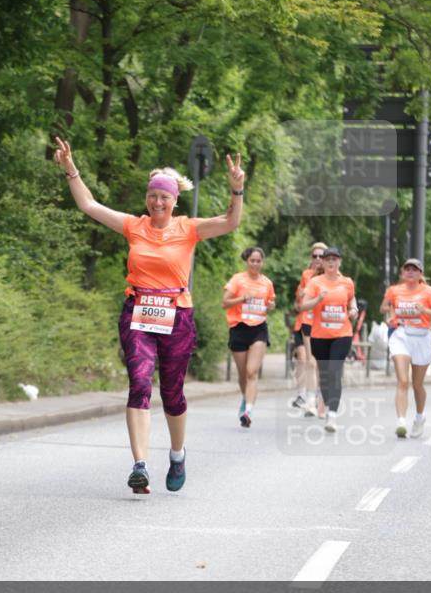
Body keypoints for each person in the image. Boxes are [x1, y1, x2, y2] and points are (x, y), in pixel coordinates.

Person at [53, 136, 245, 494]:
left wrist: (237, 189)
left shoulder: (188, 228)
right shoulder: (134, 226)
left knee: (172, 393)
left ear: (174, 201)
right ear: (147, 198)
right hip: (138, 311)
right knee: (140, 383)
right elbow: (89, 205)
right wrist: (70, 168)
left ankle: (177, 454)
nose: (158, 202)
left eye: (164, 197)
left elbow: (231, 222)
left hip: (177, 315)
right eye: (153, 195)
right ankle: (139, 465)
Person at [381, 258, 431, 438]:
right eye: (407, 268)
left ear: (420, 274)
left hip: (421, 337)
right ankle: (401, 421)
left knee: (417, 384)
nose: (410, 271)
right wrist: (391, 314)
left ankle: (419, 417)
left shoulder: (428, 292)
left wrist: (424, 310)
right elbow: (383, 307)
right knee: (403, 380)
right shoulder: (394, 290)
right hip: (400, 335)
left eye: (414, 269)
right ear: (402, 273)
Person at [299, 246, 358, 433]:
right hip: (319, 335)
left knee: (334, 371)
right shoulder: (315, 282)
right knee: (324, 376)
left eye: (334, 259)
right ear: (323, 263)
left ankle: (332, 415)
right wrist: (317, 300)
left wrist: (354, 310)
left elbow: (352, 300)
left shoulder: (347, 282)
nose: (331, 262)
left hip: (342, 334)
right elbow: (303, 305)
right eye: (328, 259)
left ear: (339, 262)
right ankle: (326, 405)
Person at [222, 247, 276, 428]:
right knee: (243, 374)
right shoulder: (238, 280)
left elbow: (271, 303)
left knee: (252, 371)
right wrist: (243, 298)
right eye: (252, 260)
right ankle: (246, 399)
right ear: (247, 261)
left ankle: (248, 411)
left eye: (258, 261)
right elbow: (224, 303)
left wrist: (271, 305)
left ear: (262, 262)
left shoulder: (267, 283)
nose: (255, 264)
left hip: (259, 329)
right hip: (239, 328)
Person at [290, 243, 327, 415]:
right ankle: (302, 394)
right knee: (303, 358)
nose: (318, 259)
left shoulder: (331, 276)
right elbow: (299, 301)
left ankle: (316, 393)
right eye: (315, 256)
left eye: (321, 256)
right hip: (303, 322)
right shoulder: (306, 275)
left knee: (316, 361)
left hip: (320, 324)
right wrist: (301, 296)